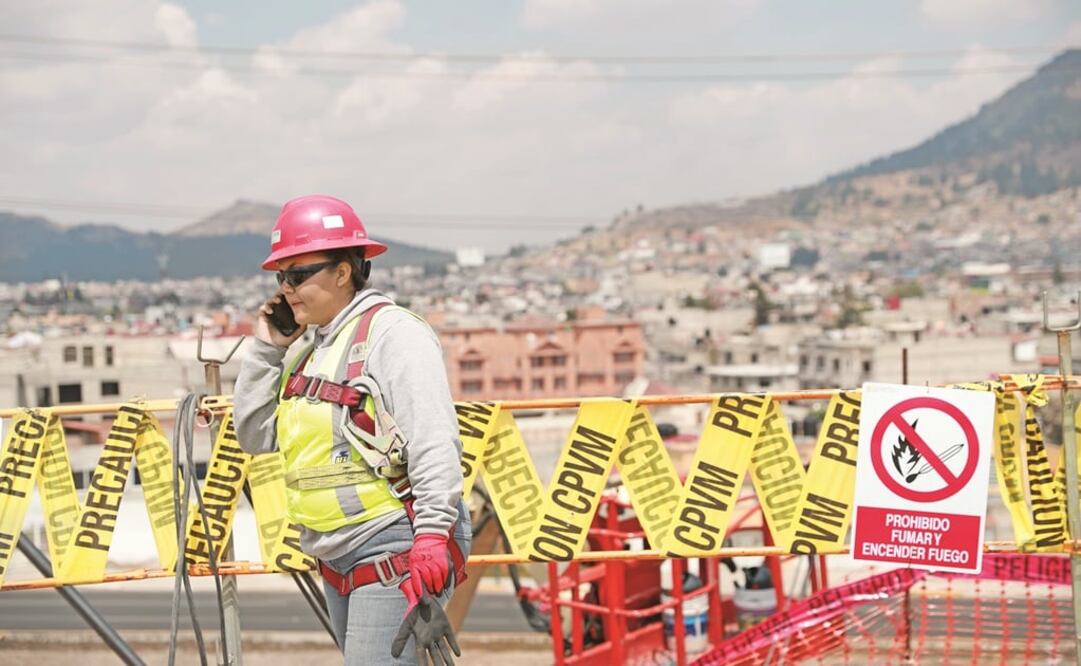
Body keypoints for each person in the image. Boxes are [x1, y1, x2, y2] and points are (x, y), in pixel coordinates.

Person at [234, 194, 470, 665]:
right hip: (336, 552)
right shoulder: (312, 351)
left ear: (343, 271)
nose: (286, 289)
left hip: (393, 542)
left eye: (298, 275)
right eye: (281, 277)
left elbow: (433, 438)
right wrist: (267, 350)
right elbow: (255, 436)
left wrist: (430, 536)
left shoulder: (393, 334)